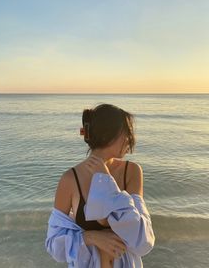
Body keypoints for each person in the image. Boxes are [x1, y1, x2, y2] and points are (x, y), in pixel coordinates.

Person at [45, 103, 155, 267]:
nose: (129, 139)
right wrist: (91, 237)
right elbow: (53, 245)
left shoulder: (131, 171)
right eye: (126, 132)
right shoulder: (70, 179)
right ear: (110, 134)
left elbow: (143, 240)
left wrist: (106, 182)